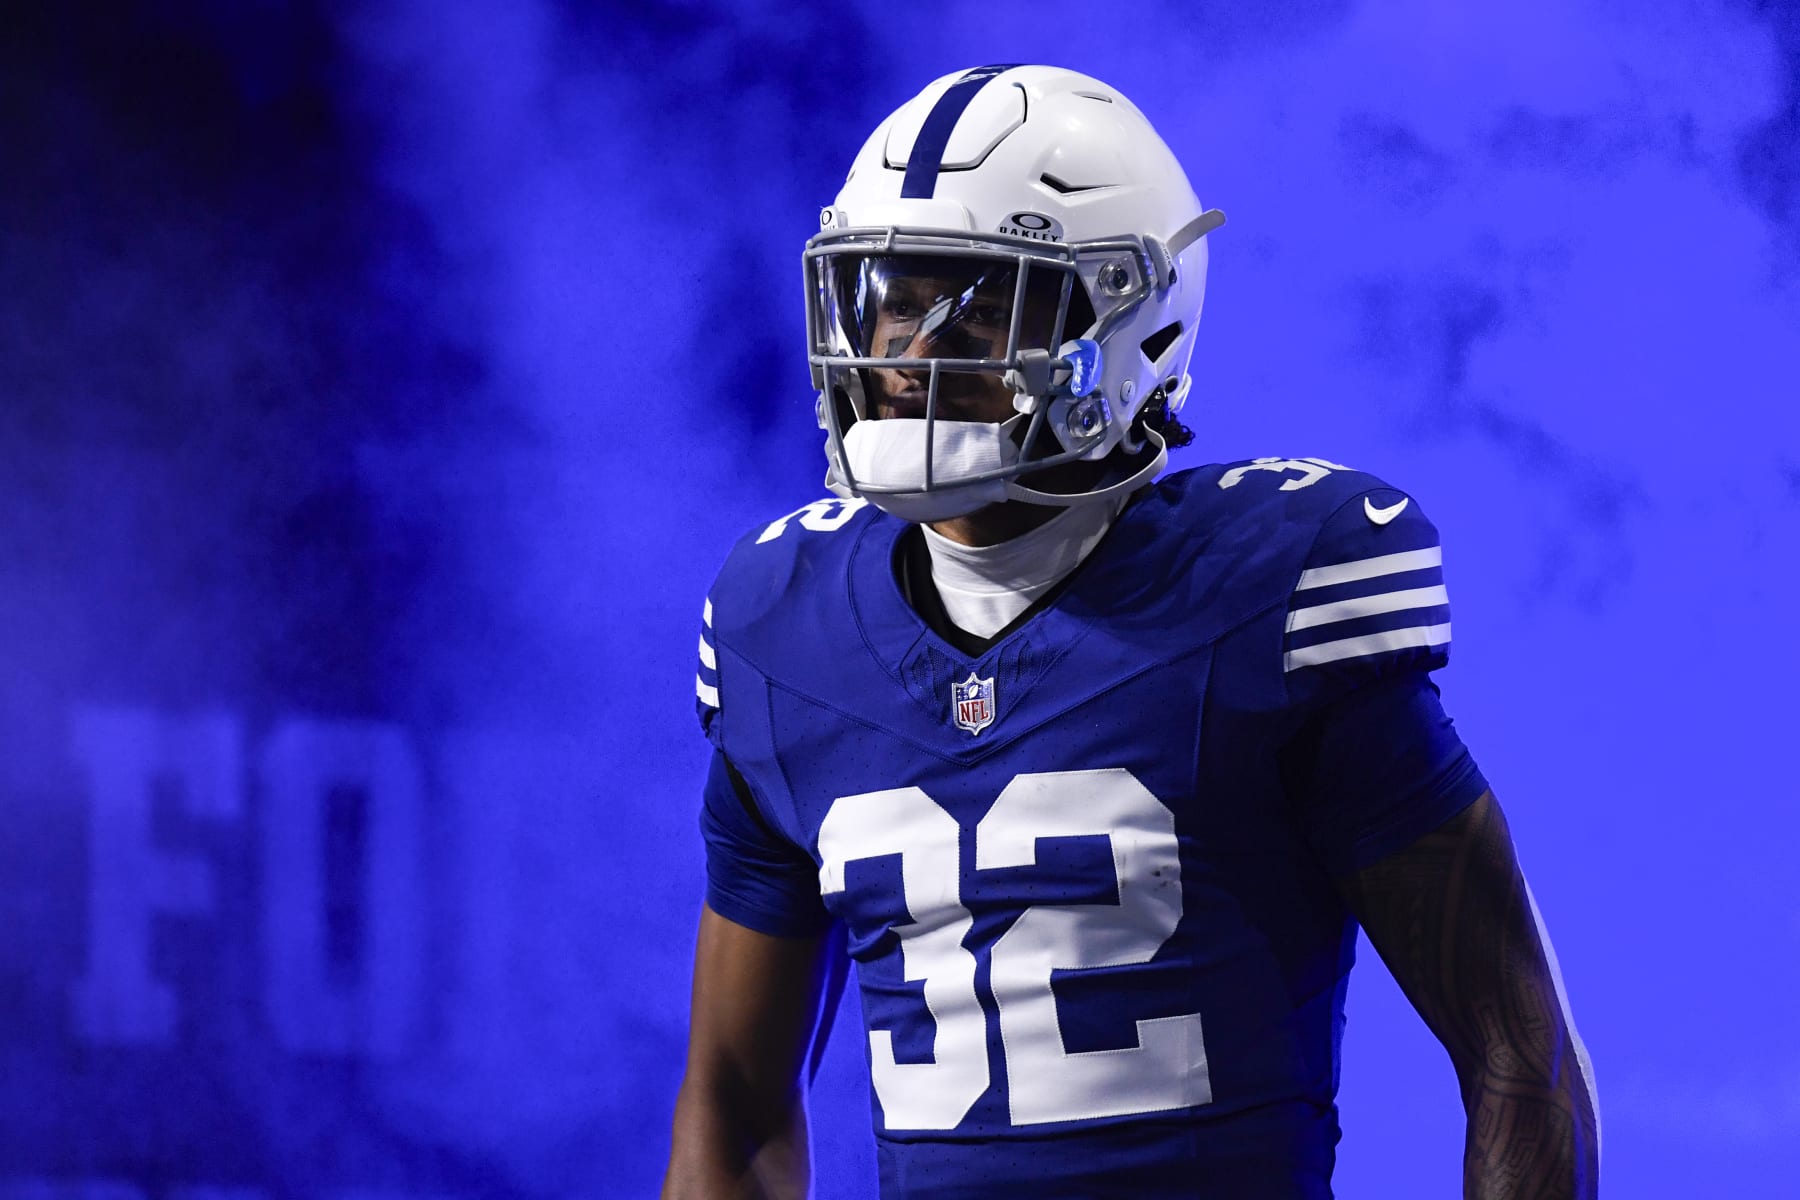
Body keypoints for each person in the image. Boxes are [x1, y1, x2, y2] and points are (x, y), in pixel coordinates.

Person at [663, 64, 1599, 1200]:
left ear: (1128, 322)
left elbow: (1520, 1057)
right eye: (896, 298)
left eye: (982, 303)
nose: (908, 356)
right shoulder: (785, 628)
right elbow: (733, 1100)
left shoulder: (1264, 595)